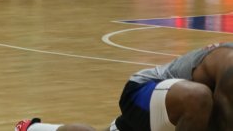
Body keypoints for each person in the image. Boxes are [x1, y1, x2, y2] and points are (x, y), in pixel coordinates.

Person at [16, 41, 233, 131]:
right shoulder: (230, 64)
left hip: (177, 114)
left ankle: (35, 129)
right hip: (144, 90)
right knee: (199, 97)